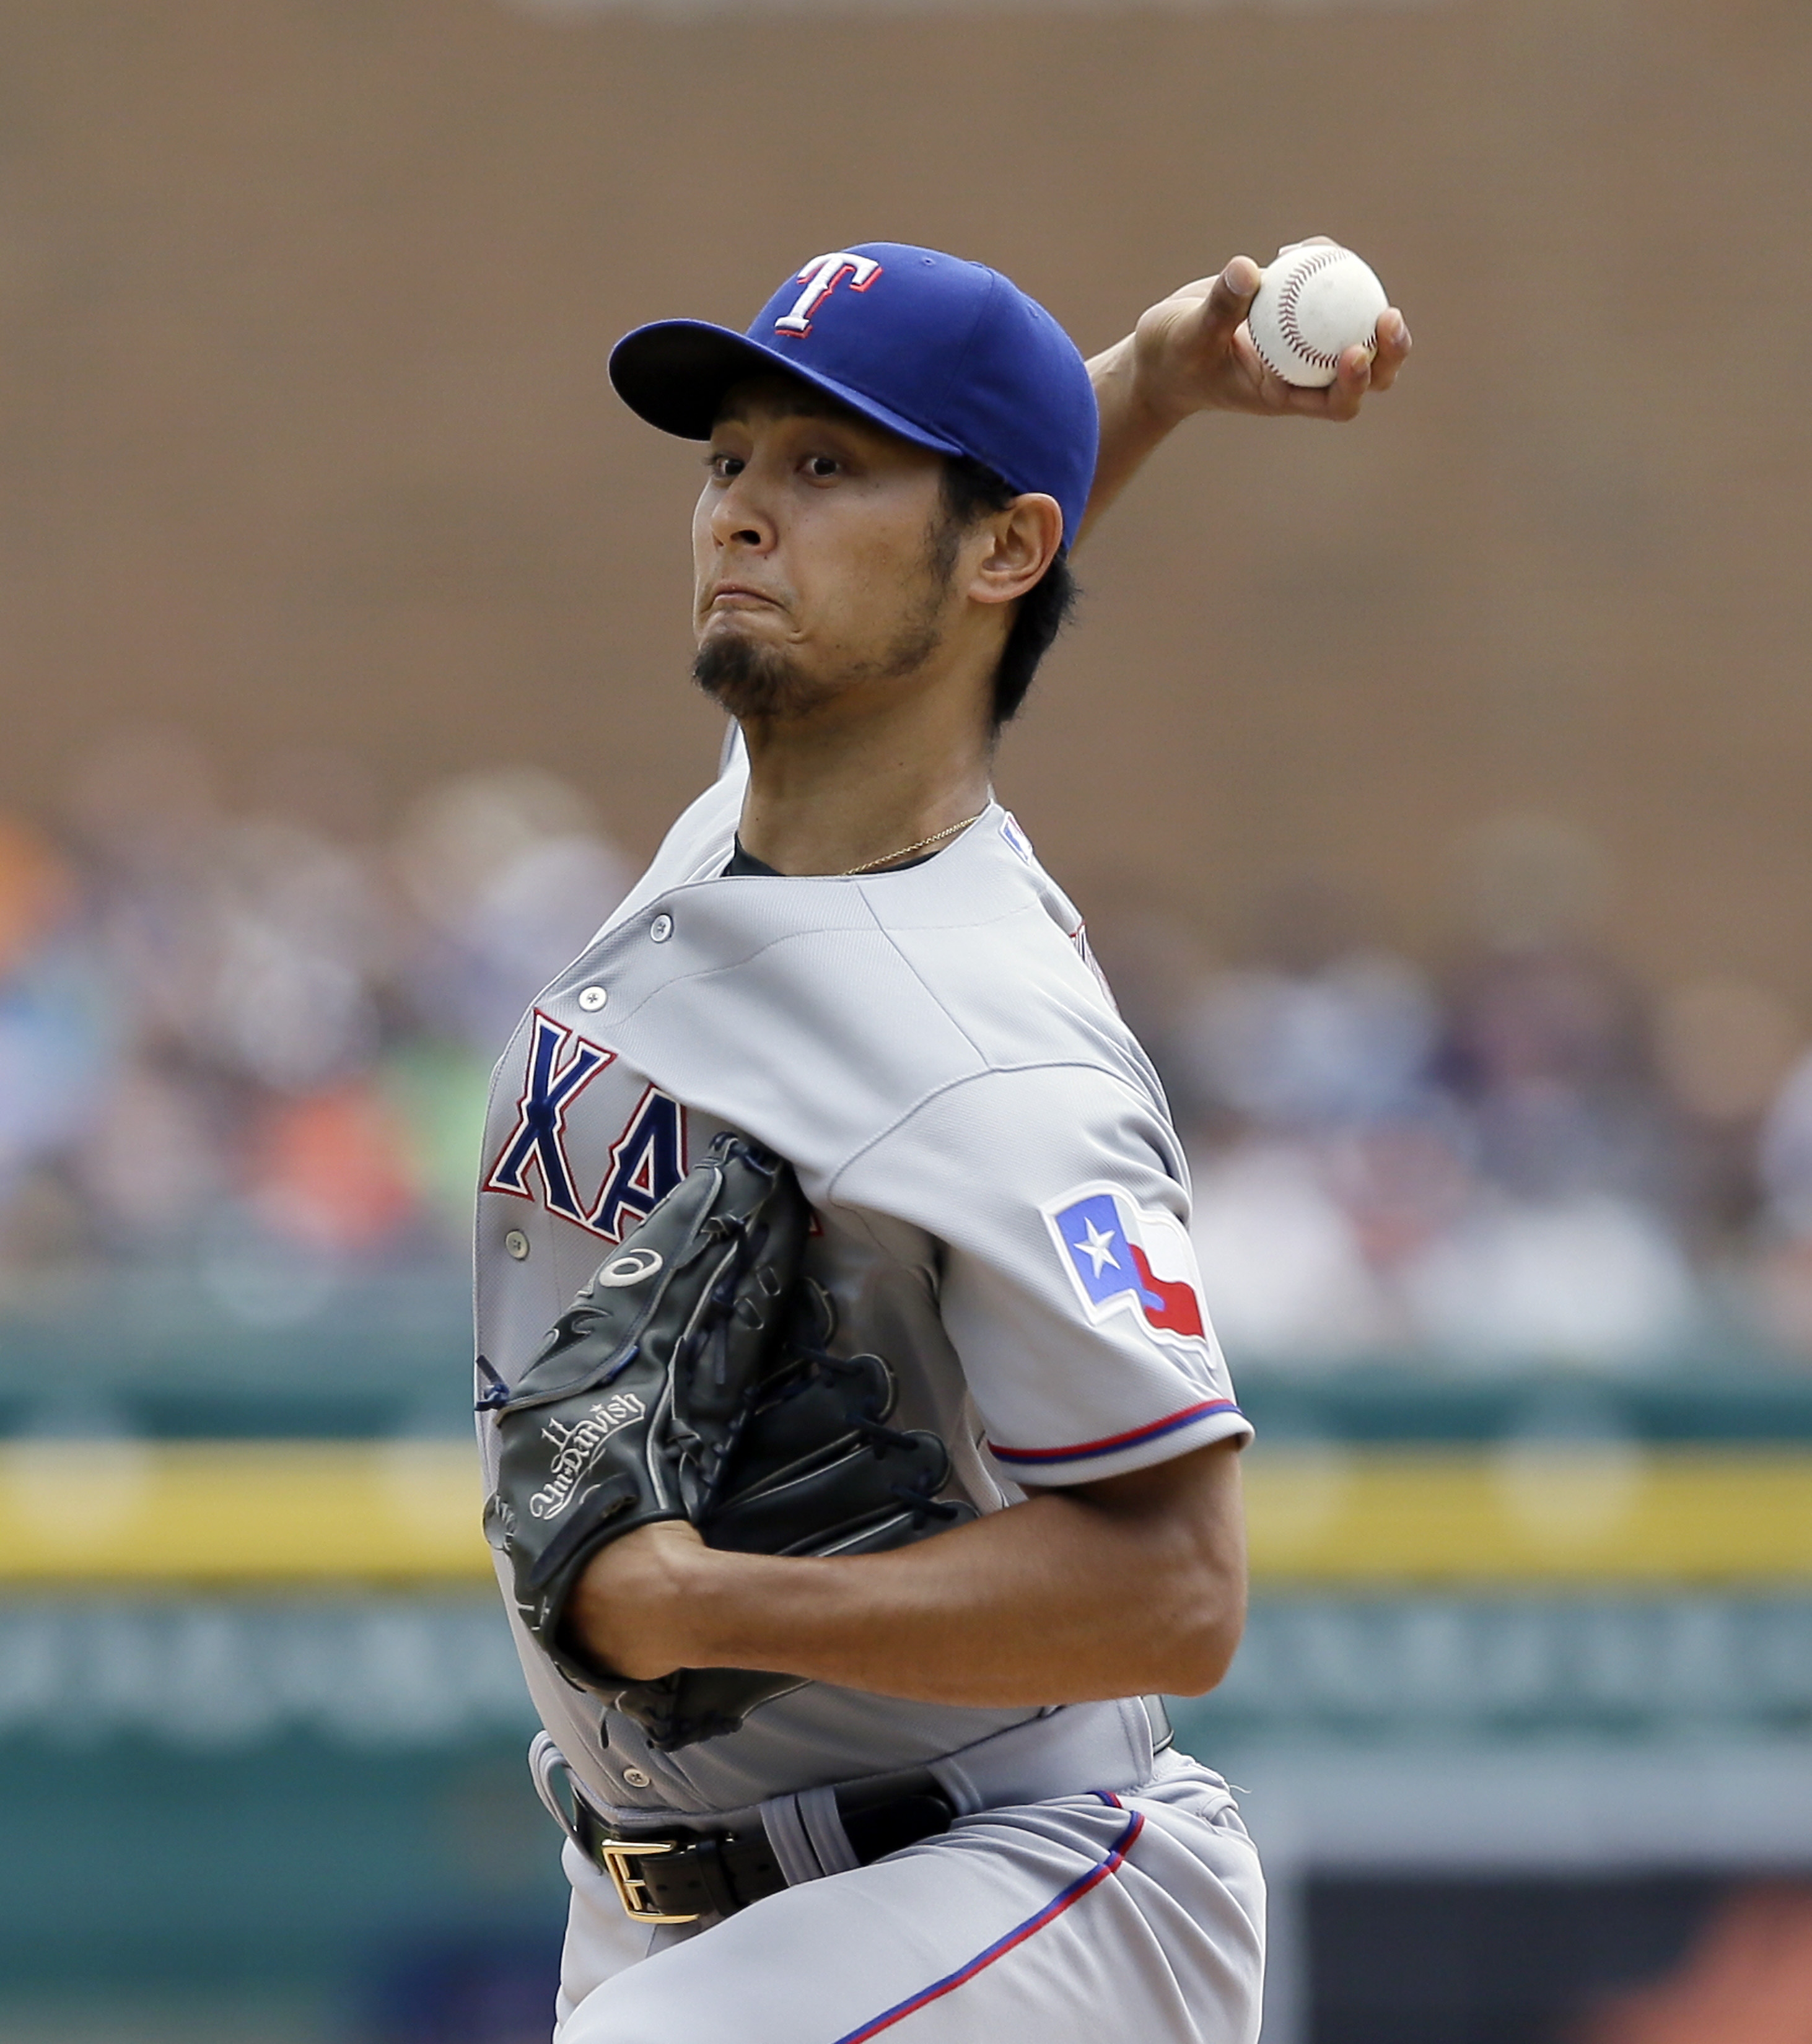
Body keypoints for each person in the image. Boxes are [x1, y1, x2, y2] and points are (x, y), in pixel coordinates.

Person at [474, 242, 1409, 2043]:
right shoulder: (740, 835)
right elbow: (959, 591)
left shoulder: (990, 1051)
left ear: (1005, 547)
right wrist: (1140, 373)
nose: (745, 510)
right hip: (678, 1899)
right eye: (731, 456)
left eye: (824, 468)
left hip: (1003, 1887)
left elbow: (1180, 1583)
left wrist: (695, 1597)